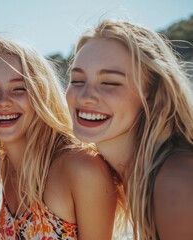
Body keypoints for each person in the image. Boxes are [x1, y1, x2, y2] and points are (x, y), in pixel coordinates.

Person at [0, 34, 118, 239]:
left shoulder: (82, 168)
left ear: (41, 93)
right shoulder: (5, 164)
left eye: (19, 88)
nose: (3, 101)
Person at [65, 19, 193, 239]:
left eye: (109, 83)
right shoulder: (139, 175)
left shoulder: (176, 180)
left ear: (153, 96)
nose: (85, 96)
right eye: (77, 80)